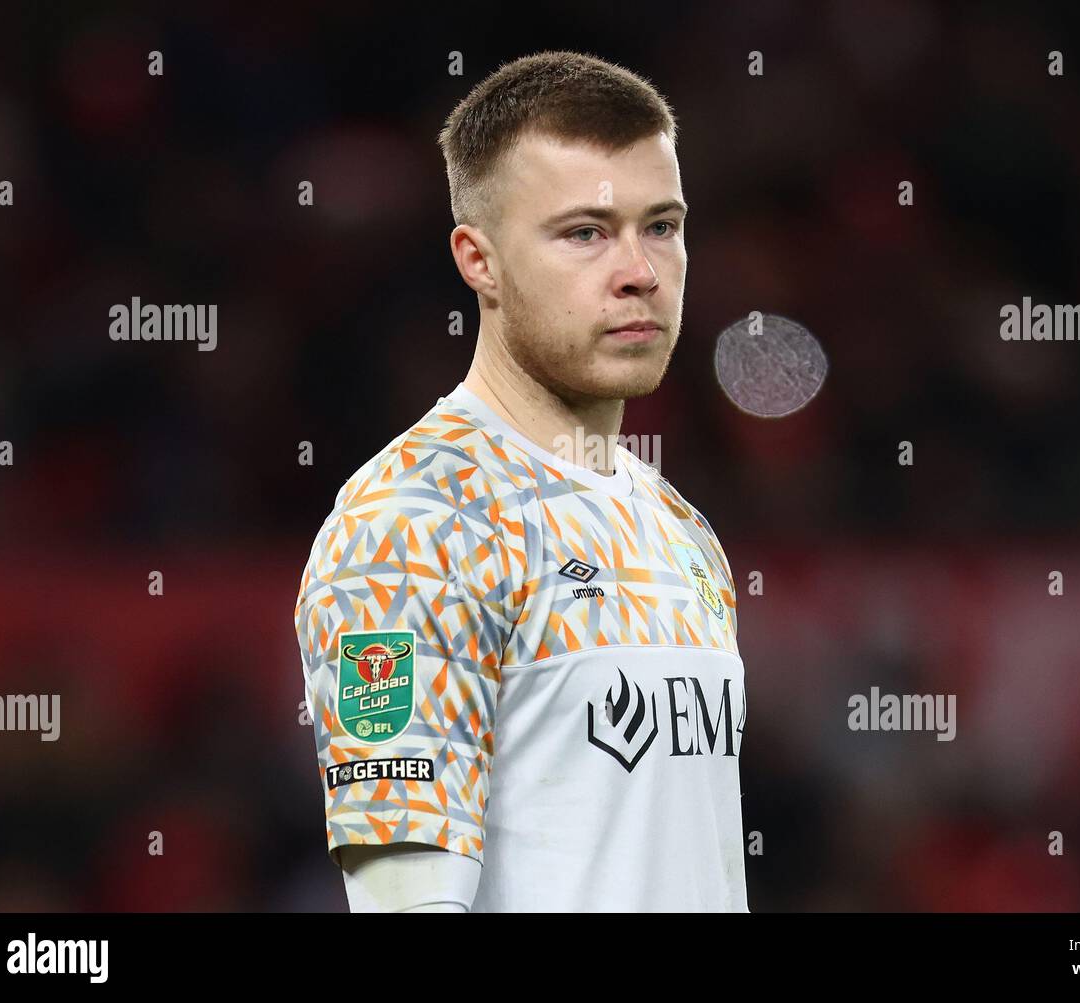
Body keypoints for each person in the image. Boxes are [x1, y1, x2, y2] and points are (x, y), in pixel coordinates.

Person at [295, 50, 747, 912]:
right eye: (585, 232)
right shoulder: (413, 527)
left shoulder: (684, 533)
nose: (640, 271)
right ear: (480, 260)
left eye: (661, 225)